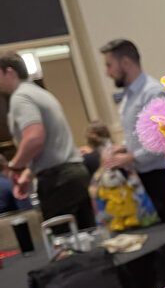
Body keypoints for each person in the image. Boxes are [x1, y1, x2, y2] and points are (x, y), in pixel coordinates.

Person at [99, 38, 165, 262]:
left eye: (109, 65)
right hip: (147, 177)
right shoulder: (129, 96)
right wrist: (123, 148)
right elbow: (141, 136)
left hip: (163, 176)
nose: (107, 72)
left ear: (125, 63)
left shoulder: (152, 93)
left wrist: (131, 156)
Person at [0, 52, 94, 228]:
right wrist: (28, 173)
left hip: (58, 180)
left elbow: (35, 138)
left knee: (64, 244)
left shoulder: (20, 97)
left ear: (9, 72)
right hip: (75, 173)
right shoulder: (40, 93)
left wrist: (15, 166)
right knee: (87, 237)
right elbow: (51, 146)